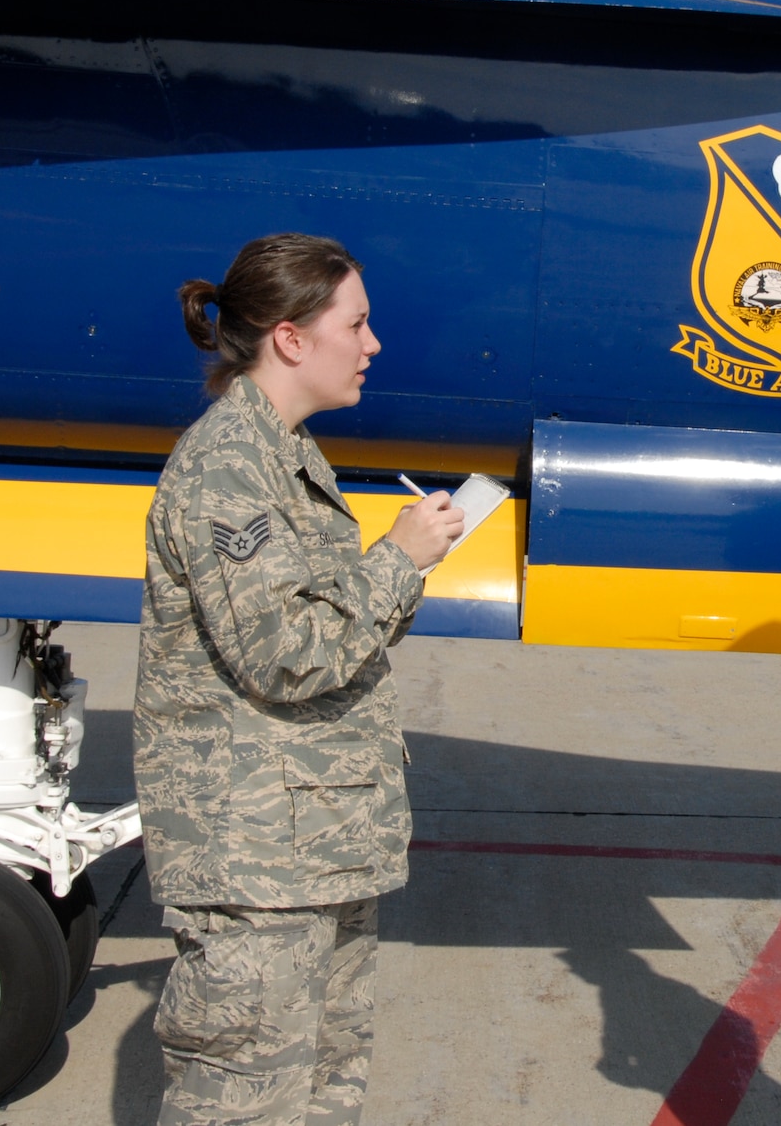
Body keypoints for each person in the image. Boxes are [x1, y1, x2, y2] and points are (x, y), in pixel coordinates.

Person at [135, 233, 464, 1126]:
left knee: (321, 1095)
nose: (373, 343)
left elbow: (333, 631)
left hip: (316, 850)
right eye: (355, 323)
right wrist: (397, 559)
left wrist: (403, 561)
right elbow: (286, 651)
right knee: (243, 1102)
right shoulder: (228, 468)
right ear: (290, 337)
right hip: (257, 866)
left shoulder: (290, 456)